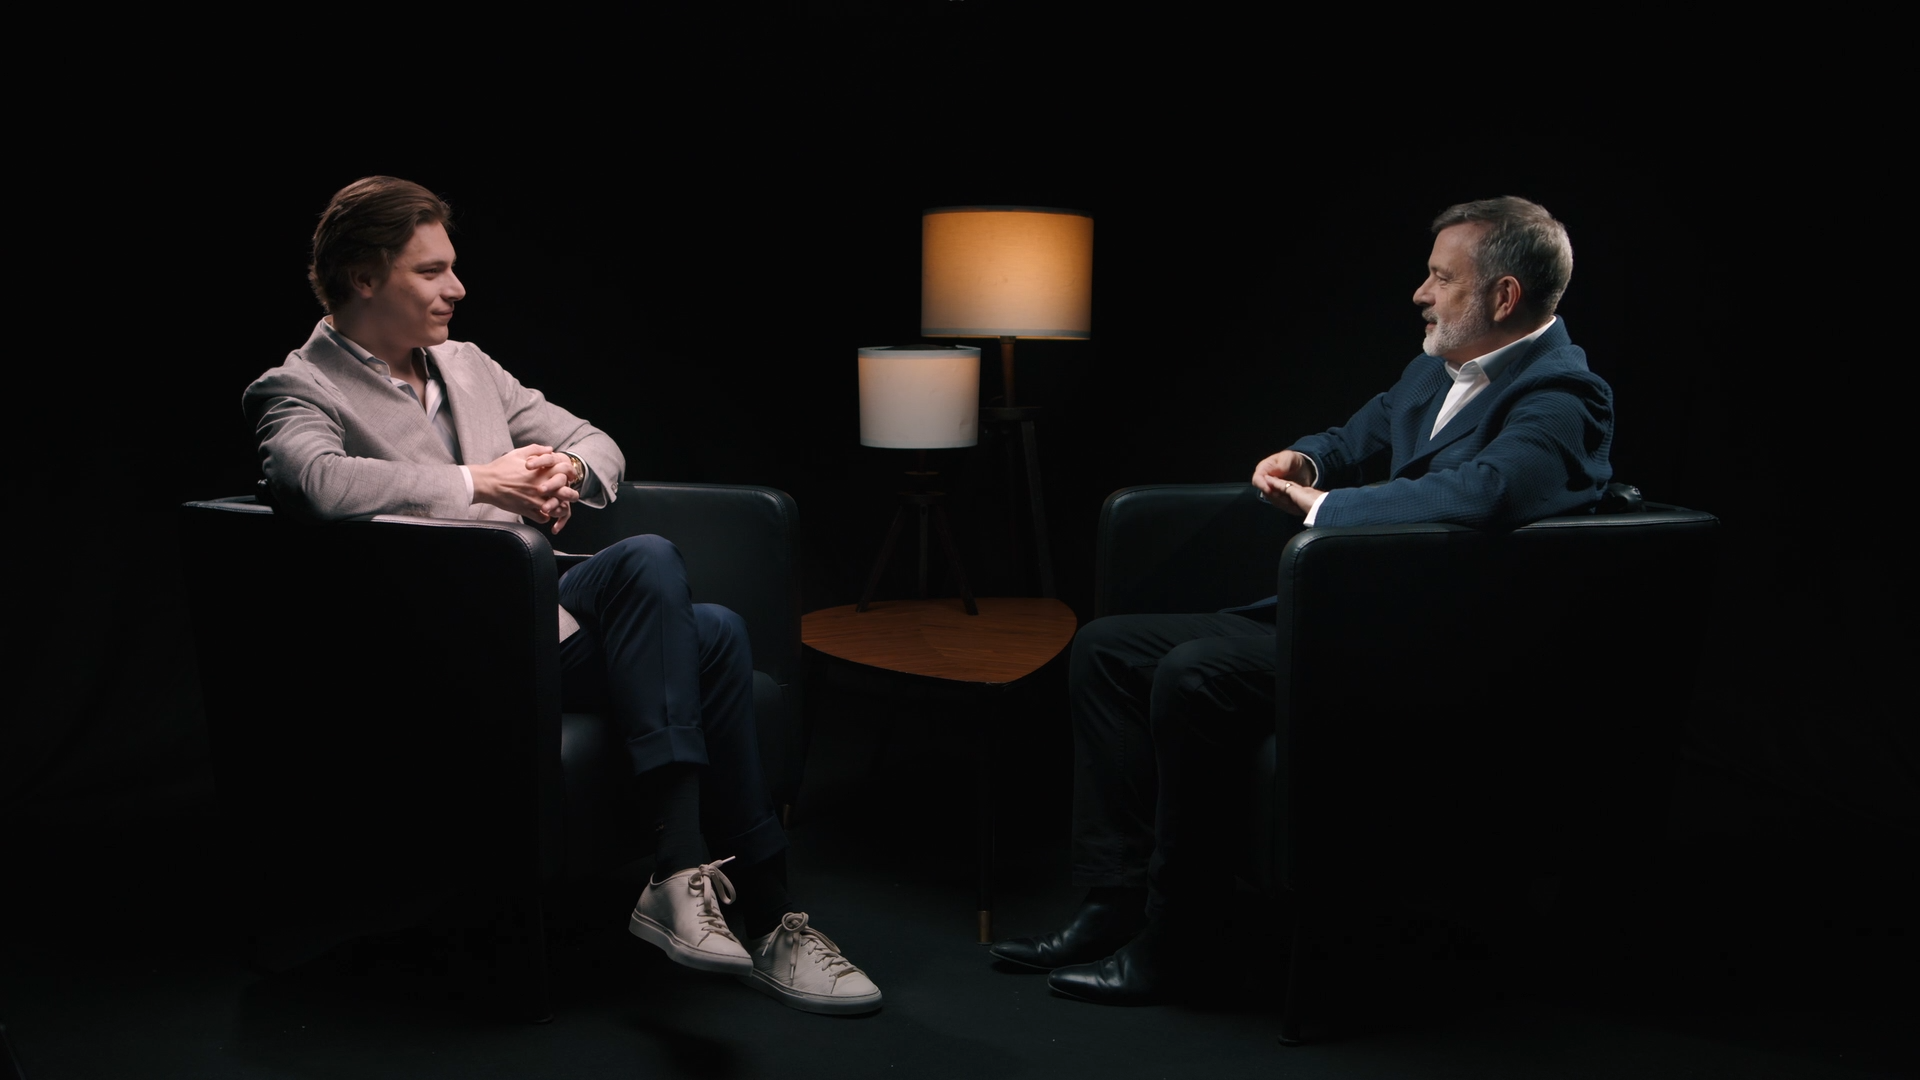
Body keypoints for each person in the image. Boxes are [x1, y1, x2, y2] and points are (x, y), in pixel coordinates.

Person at [246, 176, 880, 1016]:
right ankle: (749, 906)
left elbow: (594, 441)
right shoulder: (297, 387)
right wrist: (483, 483)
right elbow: (314, 481)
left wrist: (562, 472)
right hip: (451, 636)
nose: (457, 288)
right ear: (364, 277)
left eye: (453, 267)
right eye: (431, 271)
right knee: (704, 621)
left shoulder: (469, 366)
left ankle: (707, 888)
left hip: (542, 608)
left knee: (697, 609)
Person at [989, 196, 1614, 1005]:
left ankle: (1179, 940)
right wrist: (1307, 461)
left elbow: (1486, 492)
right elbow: (1356, 436)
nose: (1420, 293)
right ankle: (1113, 905)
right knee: (1105, 648)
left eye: (1440, 277)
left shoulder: (1564, 395)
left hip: (1432, 657)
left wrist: (1326, 509)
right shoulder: (1435, 369)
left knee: (1195, 672)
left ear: (1502, 296)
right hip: (1352, 626)